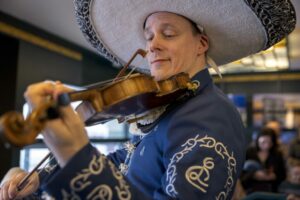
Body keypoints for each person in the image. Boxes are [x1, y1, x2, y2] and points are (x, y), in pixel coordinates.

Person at [0, 0, 296, 199]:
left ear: (200, 44)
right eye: (149, 36)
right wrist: (45, 176)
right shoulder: (168, 105)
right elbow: (123, 161)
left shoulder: (211, 115)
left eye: (168, 33)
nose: (152, 45)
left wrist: (75, 153)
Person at [241, 127, 286, 194]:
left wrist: (274, 176)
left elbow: (283, 174)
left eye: (270, 142)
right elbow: (240, 173)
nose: (266, 146)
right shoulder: (249, 152)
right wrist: (254, 175)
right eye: (263, 142)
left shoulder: (277, 154)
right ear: (257, 140)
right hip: (250, 190)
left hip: (271, 190)